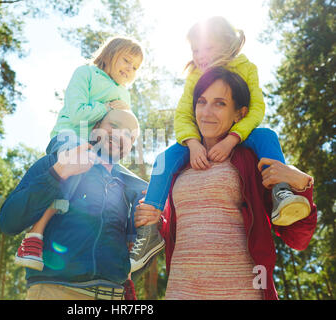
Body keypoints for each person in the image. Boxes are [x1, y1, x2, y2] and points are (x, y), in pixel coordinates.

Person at [134, 67, 317, 300]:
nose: (207, 112)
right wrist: (154, 220)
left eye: (220, 103)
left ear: (239, 114)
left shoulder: (252, 159)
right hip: (181, 292)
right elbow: (178, 228)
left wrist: (302, 185)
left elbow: (297, 238)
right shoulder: (178, 164)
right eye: (202, 102)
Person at [13, 36, 164, 272]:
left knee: (139, 185)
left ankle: (141, 240)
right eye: (126, 60)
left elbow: (122, 127)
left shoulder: (124, 95)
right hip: (69, 138)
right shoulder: (86, 74)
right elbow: (77, 114)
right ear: (110, 53)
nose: (130, 69)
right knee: (75, 166)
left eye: (135, 67)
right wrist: (106, 107)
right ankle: (35, 235)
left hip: (97, 151)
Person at [143, 16, 311, 227]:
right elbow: (183, 115)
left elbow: (256, 108)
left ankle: (281, 191)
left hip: (240, 132)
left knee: (267, 136)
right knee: (162, 160)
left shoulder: (246, 68)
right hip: (198, 139)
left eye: (207, 48)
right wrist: (193, 145)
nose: (200, 56)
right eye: (195, 50)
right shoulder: (195, 76)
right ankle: (149, 225)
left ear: (228, 44)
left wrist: (232, 139)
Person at [0, 109, 150, 300]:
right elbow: (9, 221)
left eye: (129, 135)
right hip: (56, 292)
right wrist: (58, 173)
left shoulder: (130, 191)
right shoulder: (56, 161)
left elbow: (137, 253)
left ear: (130, 146)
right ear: (95, 128)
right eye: (113, 125)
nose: (120, 134)